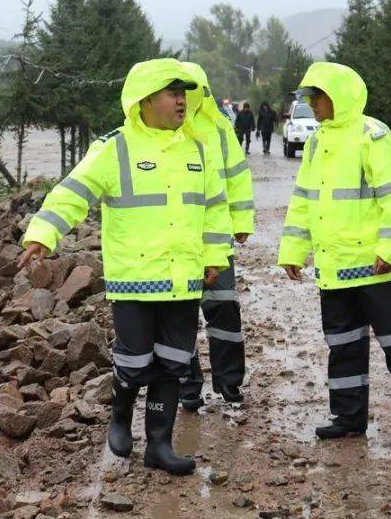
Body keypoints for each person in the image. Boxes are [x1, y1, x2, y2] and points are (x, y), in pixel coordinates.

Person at [17, 58, 232, 476]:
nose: (181, 101)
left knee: (174, 361)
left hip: (183, 279)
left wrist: (214, 258)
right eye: (172, 93)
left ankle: (158, 444)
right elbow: (73, 192)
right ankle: (120, 418)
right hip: (134, 280)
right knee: (134, 361)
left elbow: (214, 211)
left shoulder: (197, 150)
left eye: (184, 93)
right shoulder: (114, 147)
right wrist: (44, 231)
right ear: (146, 99)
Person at [277, 62, 391, 445]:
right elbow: (304, 198)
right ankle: (349, 417)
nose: (311, 104)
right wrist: (293, 249)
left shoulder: (372, 134)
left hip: (375, 266)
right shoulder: (318, 141)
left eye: (315, 97)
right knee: (342, 345)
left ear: (335, 96)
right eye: (308, 97)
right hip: (334, 266)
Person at [179, 61, 255, 410]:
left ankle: (229, 381)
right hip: (174, 240)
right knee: (178, 316)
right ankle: (187, 385)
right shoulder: (163, 128)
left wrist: (241, 220)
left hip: (215, 235)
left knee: (223, 308)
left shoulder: (219, 127)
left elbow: (237, 175)